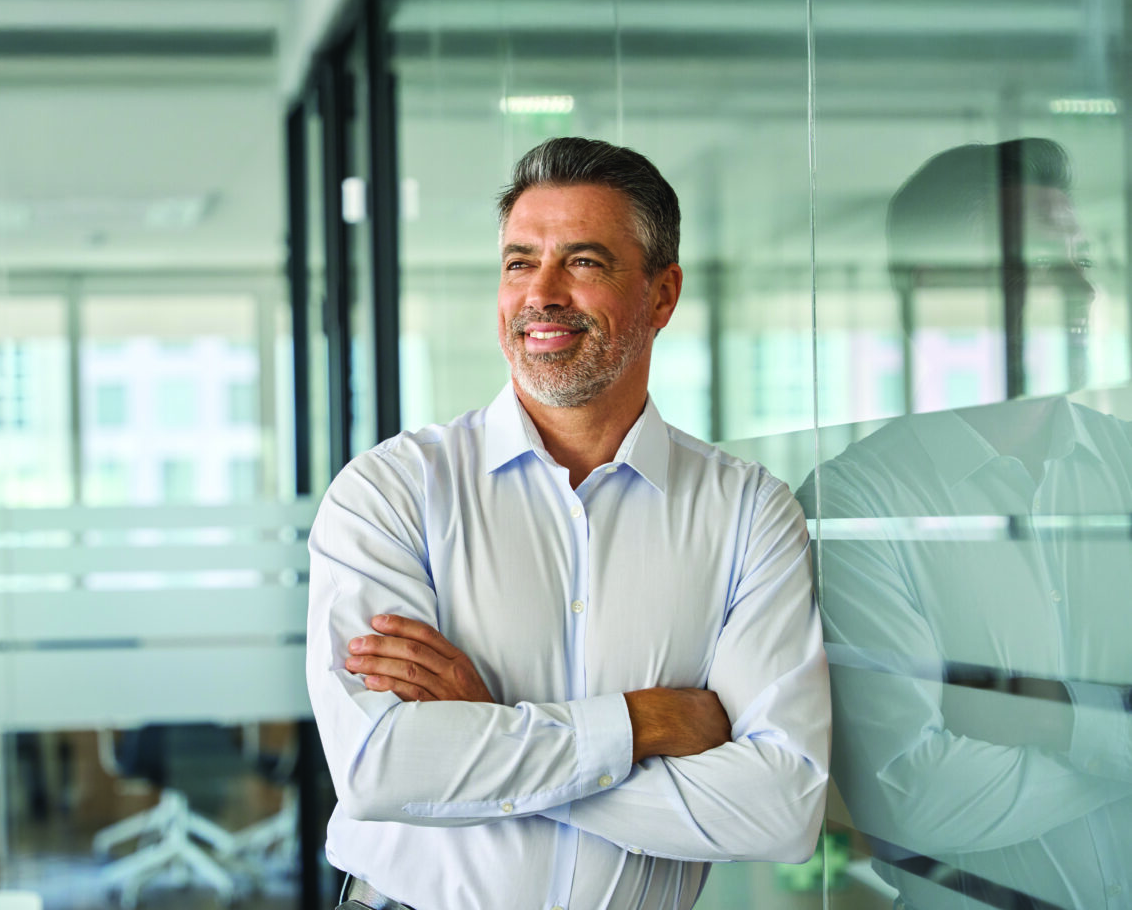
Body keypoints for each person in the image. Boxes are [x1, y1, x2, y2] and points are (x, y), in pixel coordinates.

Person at [306, 136, 831, 910]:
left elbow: (778, 809)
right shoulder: (391, 491)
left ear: (661, 296)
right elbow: (381, 767)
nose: (540, 293)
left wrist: (484, 734)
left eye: (582, 262)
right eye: (520, 262)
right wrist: (640, 725)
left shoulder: (747, 512)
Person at [799, 138, 1132, 909]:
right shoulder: (855, 505)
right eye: (1041, 260)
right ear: (938, 287)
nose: (1079, 286)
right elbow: (907, 800)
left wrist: (1051, 723)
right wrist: (1110, 743)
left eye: (1079, 258)